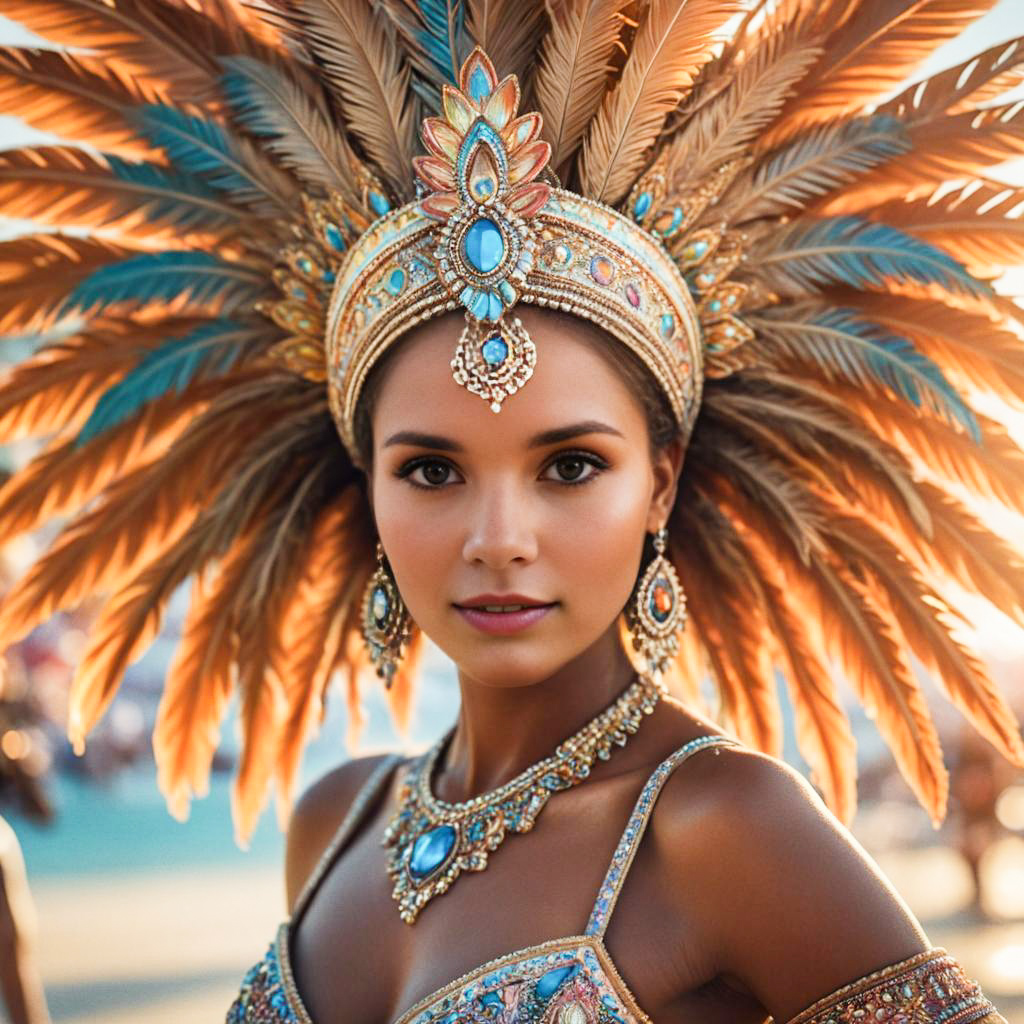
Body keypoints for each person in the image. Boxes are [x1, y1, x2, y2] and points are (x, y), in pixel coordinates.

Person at [0, 1, 1022, 1021]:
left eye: (570, 466)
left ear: (659, 481)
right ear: (368, 486)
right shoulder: (337, 817)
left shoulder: (720, 826)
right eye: (432, 472)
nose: (498, 540)